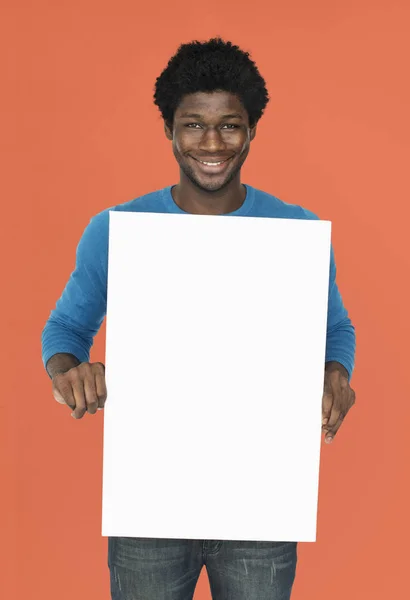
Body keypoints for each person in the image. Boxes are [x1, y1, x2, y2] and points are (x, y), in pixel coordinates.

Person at [41, 37, 356, 600]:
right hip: (150, 503)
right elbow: (64, 332)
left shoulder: (296, 232)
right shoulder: (116, 229)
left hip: (261, 501)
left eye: (230, 125)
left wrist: (336, 373)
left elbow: (335, 329)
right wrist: (70, 371)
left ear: (253, 129)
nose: (211, 143)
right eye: (193, 124)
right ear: (168, 129)